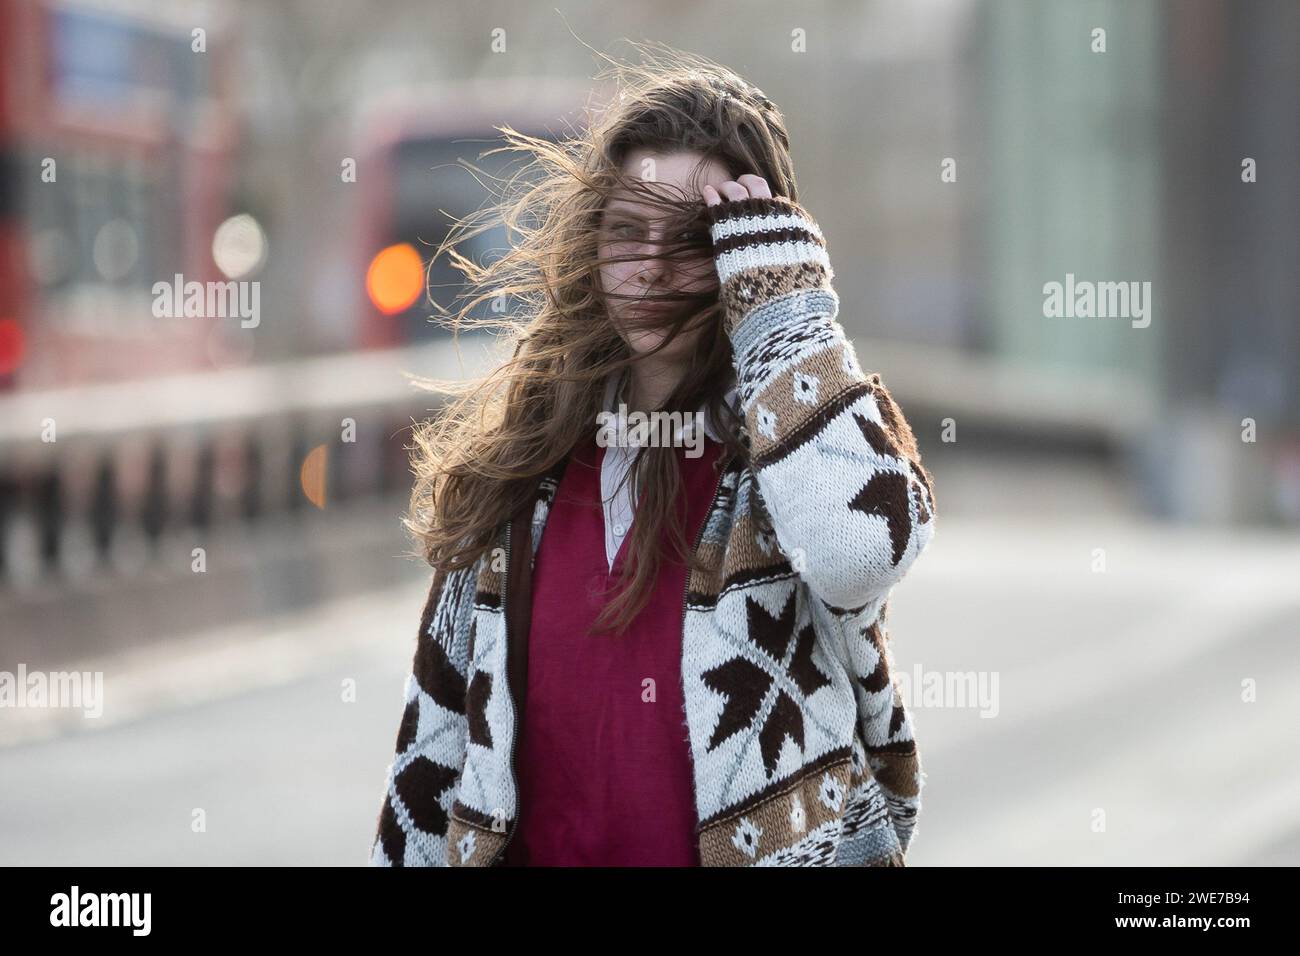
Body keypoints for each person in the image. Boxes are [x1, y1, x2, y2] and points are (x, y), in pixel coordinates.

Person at [369, 45, 937, 867]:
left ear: (755, 250)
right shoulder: (525, 466)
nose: (651, 269)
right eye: (626, 232)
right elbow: (432, 753)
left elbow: (856, 557)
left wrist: (782, 318)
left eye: (694, 239)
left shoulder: (801, 442)